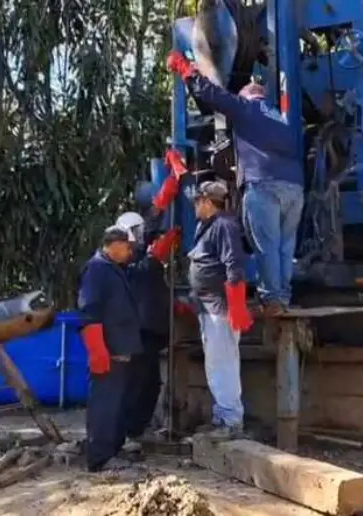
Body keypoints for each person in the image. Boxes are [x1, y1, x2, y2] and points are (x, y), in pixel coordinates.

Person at [167, 50, 304, 317]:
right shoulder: (280, 119)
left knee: (266, 245)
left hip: (263, 185)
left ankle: (272, 299)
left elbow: (213, 95)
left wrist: (187, 71)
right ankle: (283, 297)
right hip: (294, 188)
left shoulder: (246, 108)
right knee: (285, 247)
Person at [187, 181, 254, 440]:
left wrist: (236, 305)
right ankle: (222, 416)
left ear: (207, 201)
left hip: (220, 308)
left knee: (223, 364)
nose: (194, 206)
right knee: (216, 364)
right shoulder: (207, 226)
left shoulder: (224, 226)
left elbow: (234, 265)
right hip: (208, 306)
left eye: (197, 201)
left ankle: (231, 420)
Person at [113, 211, 180, 453]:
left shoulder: (140, 256)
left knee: (151, 383)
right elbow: (141, 272)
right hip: (138, 329)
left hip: (149, 330)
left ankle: (136, 429)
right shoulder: (123, 260)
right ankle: (126, 432)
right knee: (137, 382)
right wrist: (156, 255)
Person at [77, 225, 142, 472]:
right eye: (126, 246)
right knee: (104, 404)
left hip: (120, 348)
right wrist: (97, 349)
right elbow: (89, 311)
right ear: (113, 245)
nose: (129, 252)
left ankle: (113, 449)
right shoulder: (97, 270)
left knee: (116, 403)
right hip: (108, 350)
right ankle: (100, 457)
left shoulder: (114, 268)